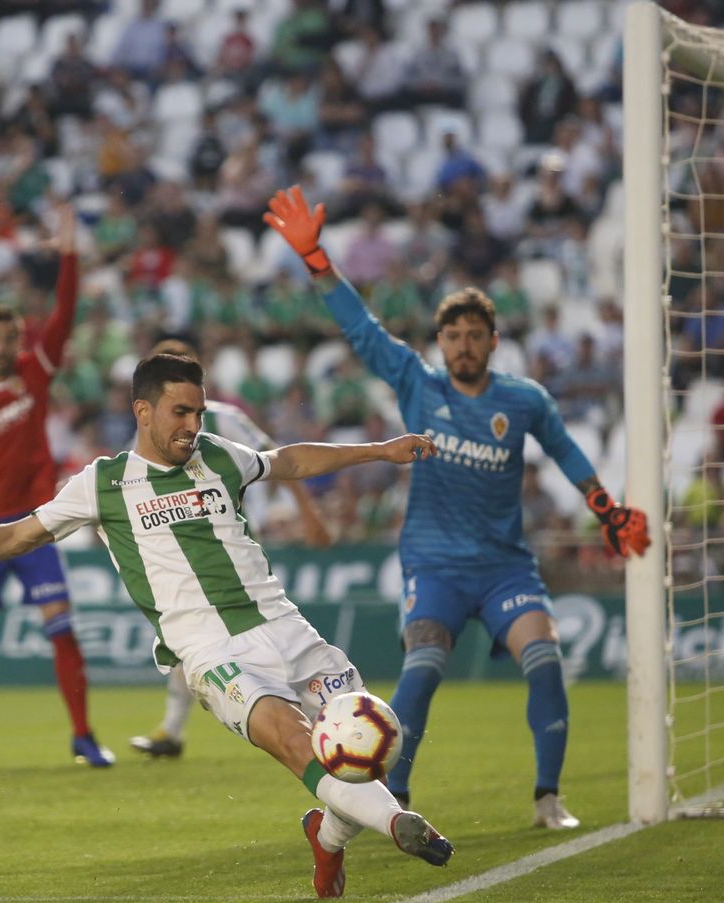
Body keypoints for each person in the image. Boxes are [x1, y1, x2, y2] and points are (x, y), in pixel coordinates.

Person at [0, 351, 454, 898]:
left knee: (357, 747)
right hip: (211, 651)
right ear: (143, 411)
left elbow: (291, 461)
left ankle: (326, 838)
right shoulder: (103, 483)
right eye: (181, 412)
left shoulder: (220, 456)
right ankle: (399, 822)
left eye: (199, 412)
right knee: (290, 738)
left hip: (287, 626)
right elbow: (18, 534)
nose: (192, 424)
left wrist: (381, 450)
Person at [263, 186, 652, 829]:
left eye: (475, 335)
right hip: (435, 565)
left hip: (505, 566)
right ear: (440, 341)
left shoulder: (524, 400)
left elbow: (566, 453)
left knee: (547, 658)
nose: (463, 344)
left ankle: (548, 798)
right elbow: (362, 330)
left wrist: (606, 508)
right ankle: (397, 800)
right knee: (423, 668)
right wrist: (318, 262)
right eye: (453, 335)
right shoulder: (418, 383)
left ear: (494, 341)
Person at [0, 203, 114, 773]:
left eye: (14, 336)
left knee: (62, 630)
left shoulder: (36, 370)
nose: (8, 345)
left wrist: (70, 254)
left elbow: (66, 311)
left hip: (34, 524)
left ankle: (83, 737)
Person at [127, 338, 332, 759]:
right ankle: (174, 729)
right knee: (190, 641)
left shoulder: (226, 420)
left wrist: (309, 515)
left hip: (229, 543)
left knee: (237, 637)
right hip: (181, 545)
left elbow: (282, 461)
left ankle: (301, 719)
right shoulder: (150, 431)